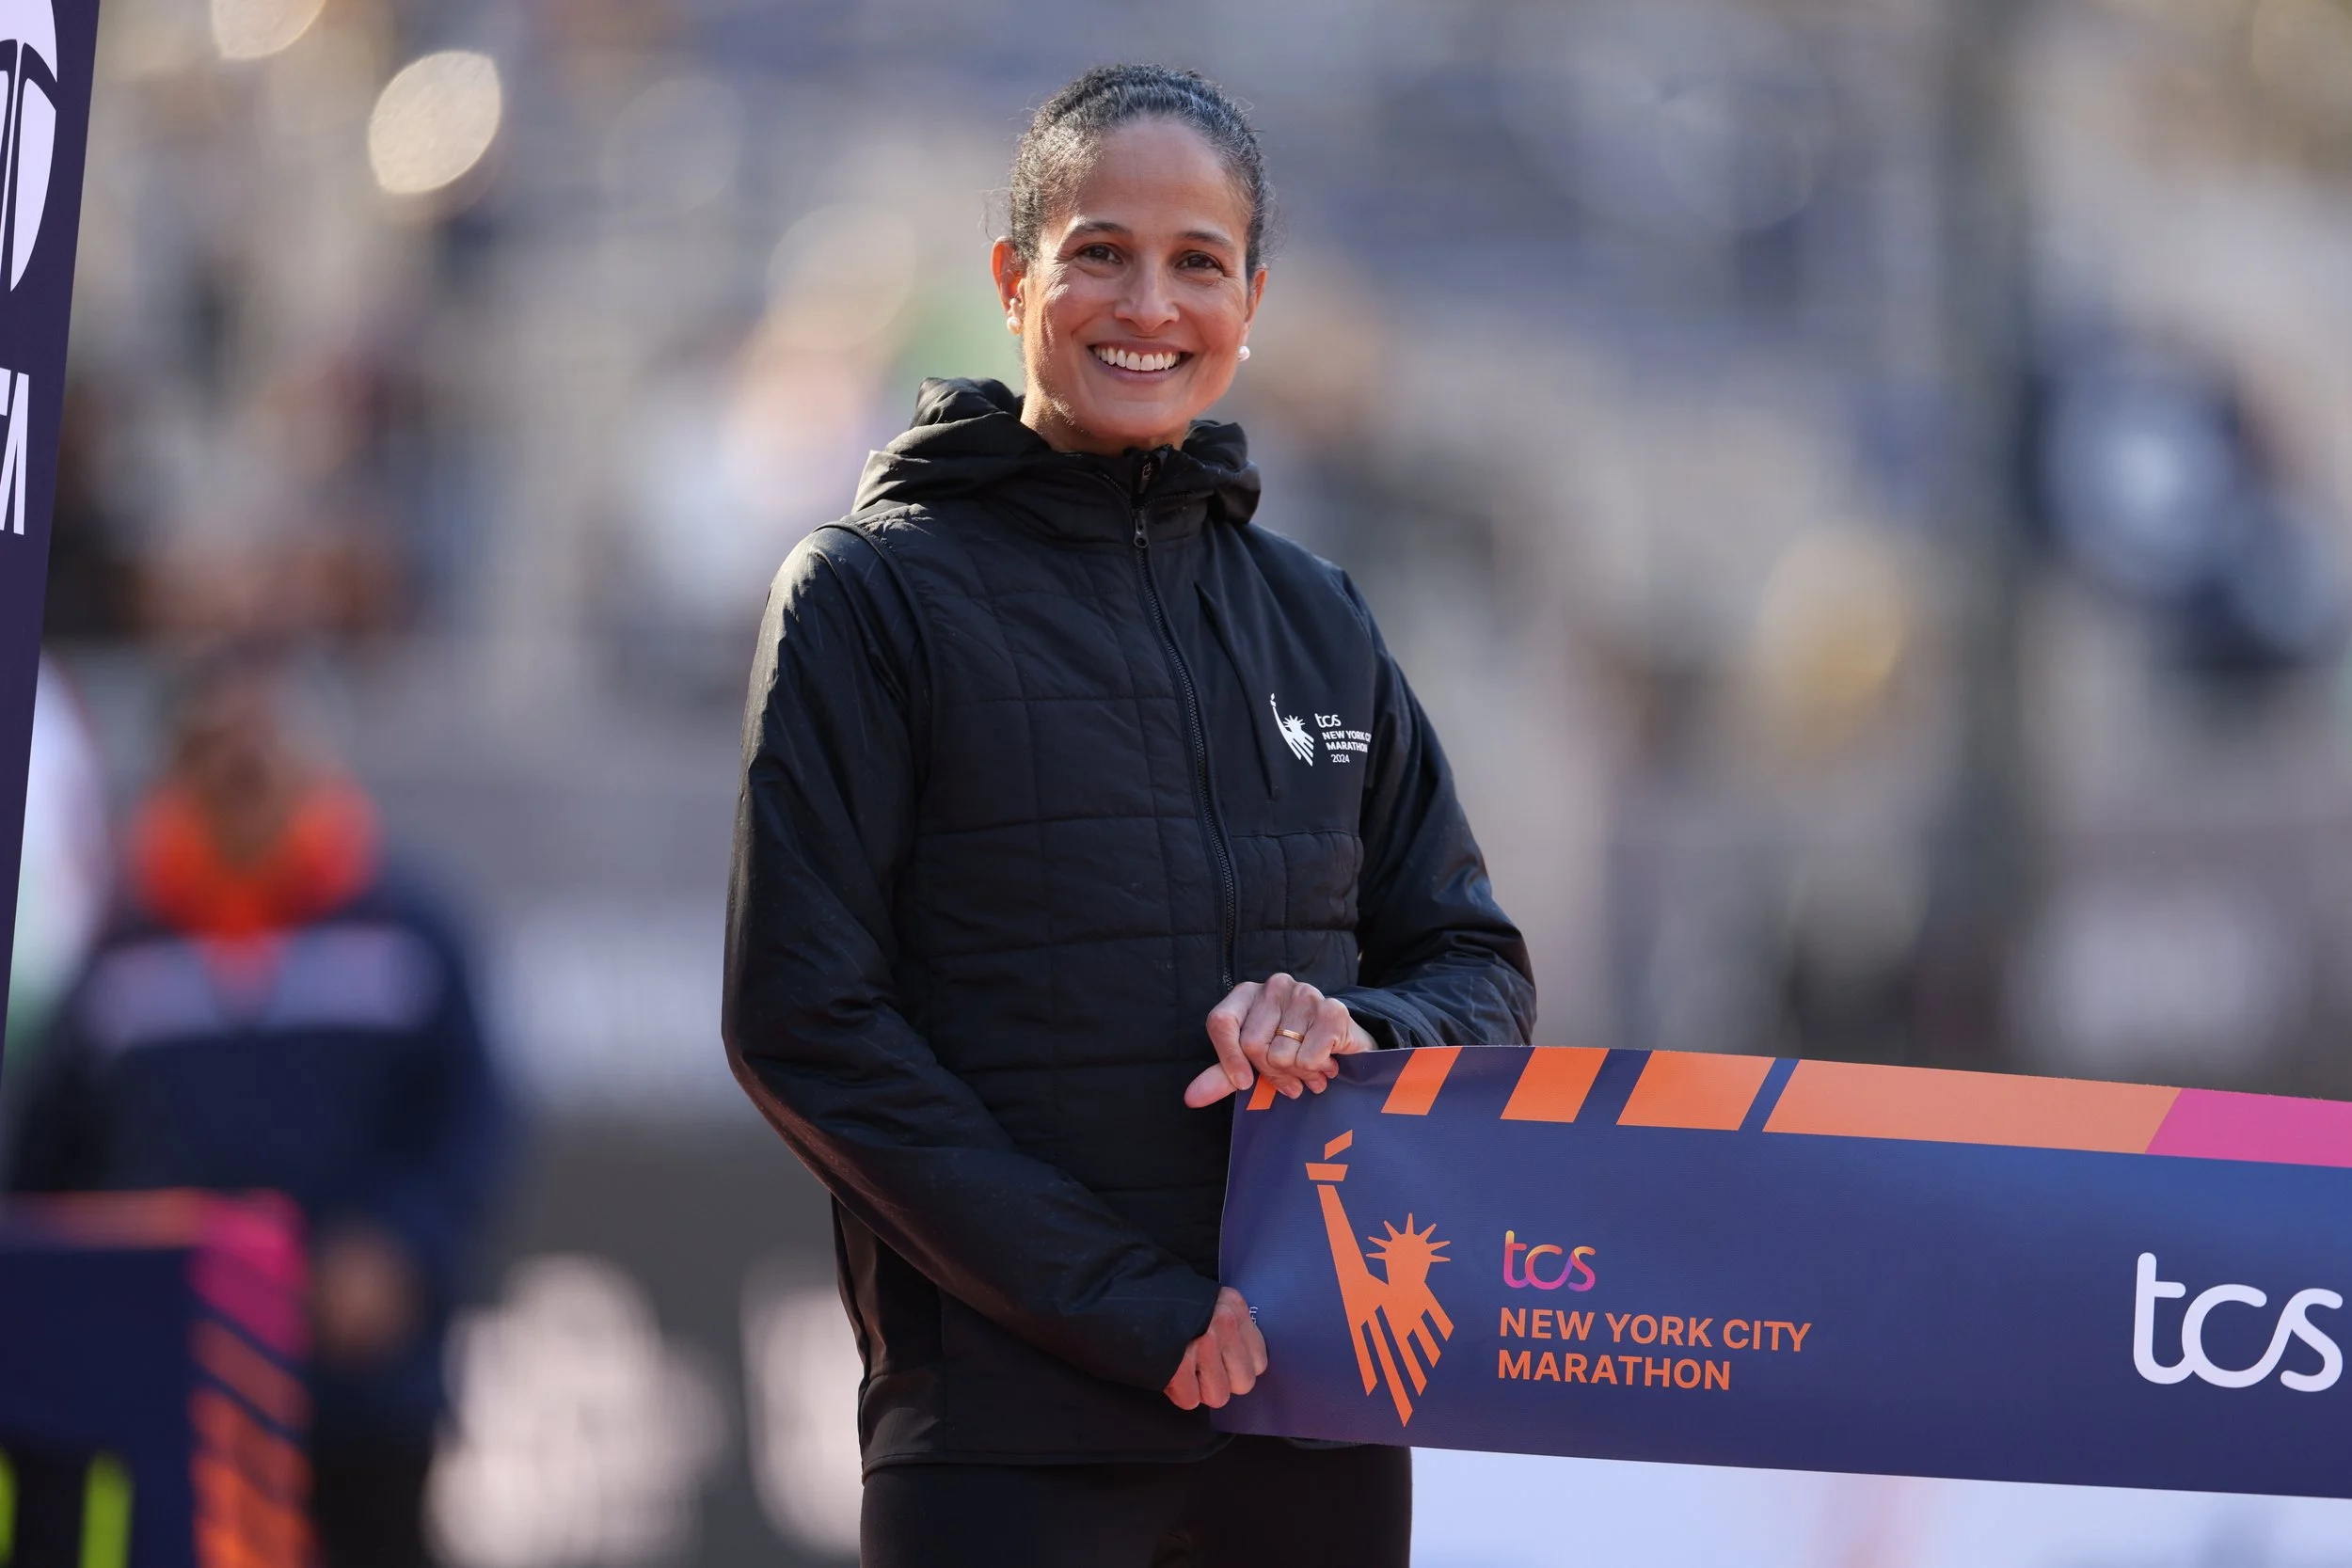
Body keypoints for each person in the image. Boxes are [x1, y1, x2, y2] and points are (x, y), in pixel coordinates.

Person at [723, 64, 1535, 1568]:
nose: (1146, 303)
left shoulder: (1321, 618)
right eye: (1100, 250)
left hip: (1315, 1411)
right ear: (1013, 277)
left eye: (1197, 263)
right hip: (1009, 1437)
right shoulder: (867, 596)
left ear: (1252, 299)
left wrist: (1359, 1028)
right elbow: (807, 1022)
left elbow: (1480, 970)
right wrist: (1140, 1311)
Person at [7, 647, 511, 1568]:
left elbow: (469, 1118)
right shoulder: (118, 949)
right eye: (214, 742)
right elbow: (48, 1165)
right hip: (167, 1390)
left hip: (358, 1385)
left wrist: (398, 1243)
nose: (243, 762)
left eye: (267, 737)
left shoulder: (407, 928)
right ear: (175, 766)